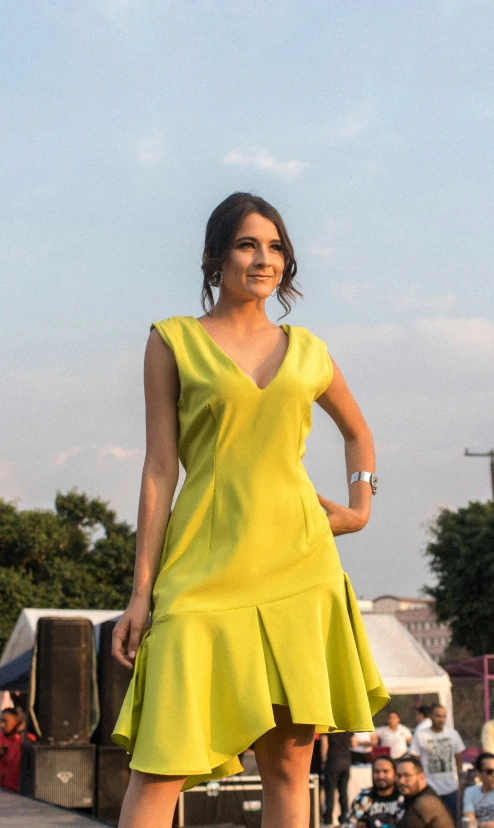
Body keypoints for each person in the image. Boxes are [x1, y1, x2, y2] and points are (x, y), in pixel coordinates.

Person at [110, 192, 390, 828]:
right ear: (215, 257)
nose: (263, 259)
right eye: (246, 244)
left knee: (291, 768)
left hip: (300, 565)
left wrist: (359, 507)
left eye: (275, 246)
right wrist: (141, 593)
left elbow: (358, 433)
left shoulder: (310, 349)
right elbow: (159, 470)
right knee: (160, 765)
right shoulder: (173, 340)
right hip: (202, 567)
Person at [409, 703, 465, 823]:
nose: (441, 719)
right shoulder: (421, 734)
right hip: (430, 788)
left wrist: (459, 781)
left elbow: (458, 758)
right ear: (430, 717)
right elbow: (414, 761)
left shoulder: (452, 734)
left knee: (452, 820)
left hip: (450, 788)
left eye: (444, 716)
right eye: (438, 716)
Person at [395, 755, 454, 827]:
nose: (401, 781)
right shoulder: (415, 796)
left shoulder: (425, 802)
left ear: (421, 776)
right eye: (398, 776)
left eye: (407, 776)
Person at [345, 756, 404, 826]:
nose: (381, 776)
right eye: (377, 771)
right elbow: (351, 823)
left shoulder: (403, 797)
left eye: (385, 771)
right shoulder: (363, 798)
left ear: (395, 774)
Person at [322, 731, 355, 825]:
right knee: (343, 792)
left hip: (333, 761)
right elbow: (354, 744)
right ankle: (344, 817)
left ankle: (328, 819)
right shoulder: (347, 729)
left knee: (330, 792)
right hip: (346, 762)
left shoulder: (328, 729)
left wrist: (323, 761)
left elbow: (324, 746)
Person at [0, 707, 35, 792]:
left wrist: (22, 729)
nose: (2, 725)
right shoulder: (1, 737)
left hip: (17, 790)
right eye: (1, 721)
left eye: (5, 722)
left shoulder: (23, 738)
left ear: (16, 721)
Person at [463, 751, 494, 827]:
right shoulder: (470, 792)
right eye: (489, 772)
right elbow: (469, 822)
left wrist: (479, 825)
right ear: (479, 774)